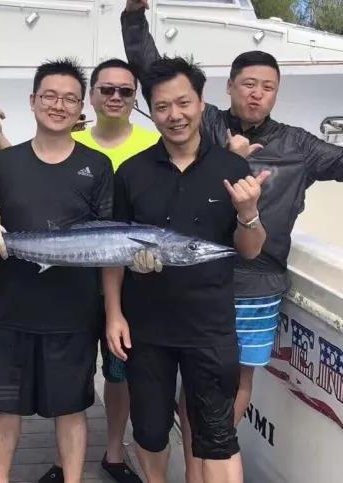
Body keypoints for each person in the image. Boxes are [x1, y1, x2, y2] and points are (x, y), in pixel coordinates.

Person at [121, 1, 343, 480]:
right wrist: (134, 16)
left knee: (227, 387)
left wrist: (247, 212)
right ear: (227, 90)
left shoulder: (301, 145)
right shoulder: (210, 125)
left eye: (268, 88)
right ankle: (192, 462)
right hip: (192, 278)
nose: (257, 95)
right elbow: (155, 74)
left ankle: (205, 460)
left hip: (256, 274)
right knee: (175, 395)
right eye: (249, 84)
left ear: (277, 94)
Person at [0, 58, 113, 483]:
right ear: (33, 101)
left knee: (72, 408)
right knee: (3, 408)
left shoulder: (97, 167)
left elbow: (110, 236)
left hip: (74, 312)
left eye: (69, 99)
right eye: (50, 96)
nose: (58, 105)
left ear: (82, 109)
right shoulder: (7, 162)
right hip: (10, 308)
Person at [104, 56, 268, 483]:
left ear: (201, 102)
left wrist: (249, 213)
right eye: (162, 107)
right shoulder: (131, 172)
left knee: (216, 435)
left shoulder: (232, 169)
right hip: (147, 328)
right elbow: (113, 253)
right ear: (151, 110)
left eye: (183, 103)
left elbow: (248, 251)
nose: (174, 115)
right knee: (152, 431)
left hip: (210, 327)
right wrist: (114, 315)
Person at [39, 58, 159, 483]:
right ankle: (62, 460)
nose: (114, 97)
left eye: (125, 91)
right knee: (67, 374)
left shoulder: (152, 145)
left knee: (118, 372)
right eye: (106, 89)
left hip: (127, 287)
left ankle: (112, 453)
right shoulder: (65, 138)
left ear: (134, 98)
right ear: (91, 96)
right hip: (66, 282)